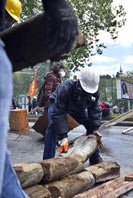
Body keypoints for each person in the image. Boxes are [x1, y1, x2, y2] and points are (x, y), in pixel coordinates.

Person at [0, 0, 78, 197]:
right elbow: (55, 102)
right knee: (53, 132)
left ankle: (49, 158)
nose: (9, 24)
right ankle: (48, 159)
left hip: (53, 108)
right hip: (53, 108)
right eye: (8, 19)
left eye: (11, 21)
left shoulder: (69, 86)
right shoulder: (56, 80)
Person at [43, 67, 103, 165]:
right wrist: (63, 136)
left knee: (91, 126)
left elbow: (95, 108)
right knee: (52, 127)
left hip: (77, 108)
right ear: (79, 83)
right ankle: (47, 161)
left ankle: (95, 157)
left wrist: (95, 128)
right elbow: (58, 113)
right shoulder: (65, 88)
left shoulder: (94, 91)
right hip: (57, 105)